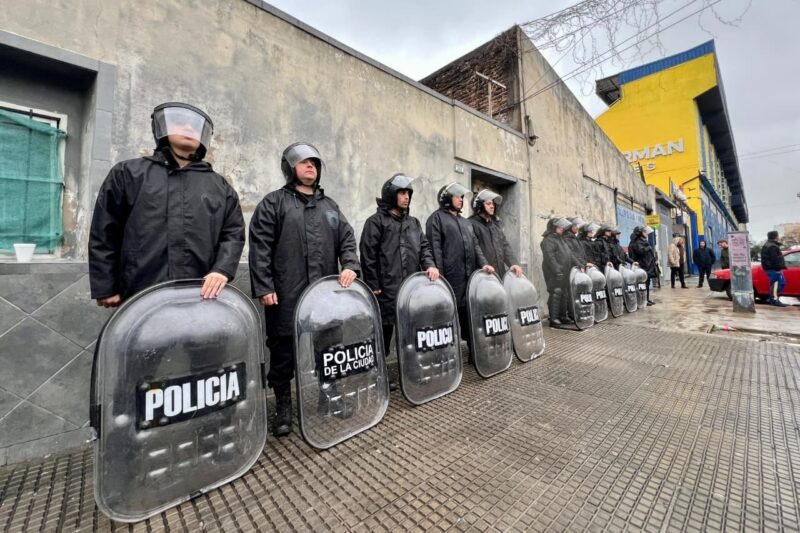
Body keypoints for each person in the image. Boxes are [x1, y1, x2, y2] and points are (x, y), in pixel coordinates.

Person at [248, 142, 360, 437]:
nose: (311, 166)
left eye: (314, 162)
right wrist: (264, 285)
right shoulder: (274, 203)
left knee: (329, 348)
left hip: (325, 294)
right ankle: (283, 405)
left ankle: (329, 395)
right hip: (285, 293)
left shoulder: (330, 206)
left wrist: (349, 264)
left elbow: (347, 238)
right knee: (283, 352)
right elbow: (260, 246)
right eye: (304, 162)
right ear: (290, 168)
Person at [89, 102, 245, 306]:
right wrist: (106, 286)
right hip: (141, 289)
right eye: (180, 122)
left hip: (200, 293)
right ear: (162, 127)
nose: (189, 129)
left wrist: (221, 269)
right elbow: (105, 230)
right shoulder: (128, 173)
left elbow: (233, 233)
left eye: (195, 126)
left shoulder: (219, 186)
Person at [359, 173, 440, 388]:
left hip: (411, 290)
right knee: (384, 335)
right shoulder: (375, 222)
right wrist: (374, 285)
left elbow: (424, 247)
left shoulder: (414, 223)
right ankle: (379, 376)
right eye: (401, 193)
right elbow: (367, 255)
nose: (406, 197)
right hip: (385, 290)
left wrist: (430, 265)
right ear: (391, 195)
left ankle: (411, 370)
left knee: (411, 334)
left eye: (408, 193)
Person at [426, 183, 495, 349]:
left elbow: (475, 246)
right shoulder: (436, 218)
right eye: (458, 196)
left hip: (468, 279)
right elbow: (434, 248)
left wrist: (484, 264)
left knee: (469, 318)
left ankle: (475, 354)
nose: (461, 200)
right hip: (449, 279)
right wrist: (440, 279)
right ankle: (447, 354)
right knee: (446, 318)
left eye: (462, 197)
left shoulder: (466, 222)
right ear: (447, 198)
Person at [467, 189, 523, 278]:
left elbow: (505, 246)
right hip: (483, 275)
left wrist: (513, 263)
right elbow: (474, 248)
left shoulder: (495, 226)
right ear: (479, 205)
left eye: (493, 203)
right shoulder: (471, 224)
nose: (492, 206)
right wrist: (484, 264)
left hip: (499, 274)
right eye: (488, 204)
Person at [540, 217, 581, 327]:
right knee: (556, 292)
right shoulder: (548, 240)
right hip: (553, 272)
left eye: (562, 226)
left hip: (565, 271)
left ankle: (563, 316)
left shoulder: (561, 239)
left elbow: (570, 255)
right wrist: (557, 270)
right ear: (553, 227)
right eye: (559, 226)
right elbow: (550, 257)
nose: (562, 228)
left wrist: (579, 264)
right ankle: (554, 318)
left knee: (565, 293)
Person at [628, 226, 658, 305]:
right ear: (640, 233)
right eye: (644, 232)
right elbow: (640, 251)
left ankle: (646, 299)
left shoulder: (644, 241)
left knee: (646, 284)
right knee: (643, 284)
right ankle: (643, 300)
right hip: (643, 266)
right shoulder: (637, 242)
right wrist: (648, 247)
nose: (646, 234)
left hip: (647, 266)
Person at [760, 230, 788, 307]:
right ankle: (774, 300)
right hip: (773, 269)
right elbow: (774, 259)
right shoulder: (772, 246)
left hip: (773, 268)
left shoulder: (771, 245)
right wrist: (778, 268)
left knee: (781, 283)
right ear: (776, 236)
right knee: (777, 284)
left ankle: (772, 298)